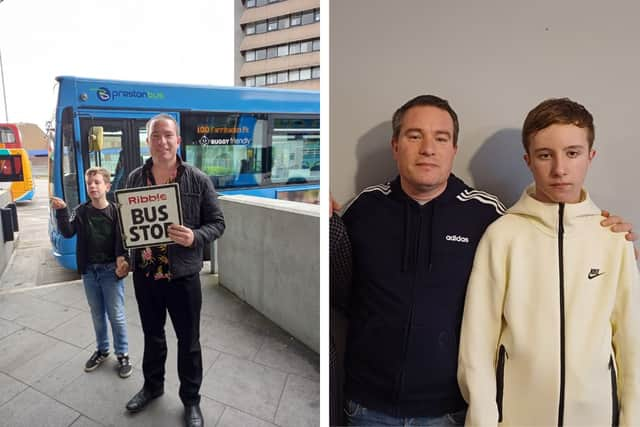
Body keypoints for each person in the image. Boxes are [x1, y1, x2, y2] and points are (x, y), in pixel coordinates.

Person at [336, 95, 637, 426]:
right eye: (414, 136)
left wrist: (607, 236)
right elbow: (338, 284)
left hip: (448, 411)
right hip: (367, 406)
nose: (428, 149)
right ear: (396, 145)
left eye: (441, 138)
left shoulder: (488, 216)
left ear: (454, 149)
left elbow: (628, 340)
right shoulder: (362, 210)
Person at [457, 98, 639, 426]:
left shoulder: (612, 239)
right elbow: (476, 345)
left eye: (572, 153)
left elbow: (631, 344)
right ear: (528, 160)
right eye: (545, 155)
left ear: (590, 156)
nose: (559, 169)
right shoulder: (502, 236)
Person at [124, 114, 225, 427]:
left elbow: (218, 223)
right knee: (153, 336)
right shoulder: (134, 179)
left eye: (168, 135)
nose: (162, 141)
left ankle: (191, 400)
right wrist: (123, 255)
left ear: (178, 140)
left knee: (189, 342)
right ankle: (152, 387)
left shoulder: (197, 179)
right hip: (147, 275)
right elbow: (127, 223)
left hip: (183, 276)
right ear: (148, 140)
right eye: (156, 135)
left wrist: (196, 236)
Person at [51, 167, 132, 378]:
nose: (93, 186)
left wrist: (125, 262)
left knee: (116, 315)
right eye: (89, 183)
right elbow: (67, 233)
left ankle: (122, 354)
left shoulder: (117, 211)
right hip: (89, 272)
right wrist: (61, 211)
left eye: (97, 182)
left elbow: (126, 241)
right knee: (97, 315)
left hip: (110, 272)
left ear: (107, 186)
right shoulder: (81, 211)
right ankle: (103, 350)